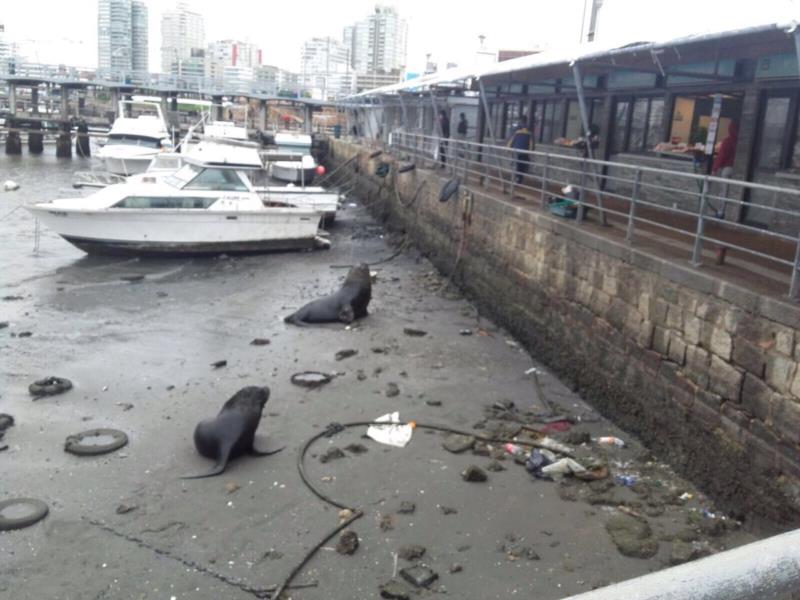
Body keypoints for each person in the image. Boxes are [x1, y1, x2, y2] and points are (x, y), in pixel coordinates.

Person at [508, 117, 533, 183]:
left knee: (516, 164)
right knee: (522, 165)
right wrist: (530, 152)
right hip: (525, 151)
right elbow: (531, 142)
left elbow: (512, 139)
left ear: (520, 121)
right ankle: (520, 178)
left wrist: (508, 148)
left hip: (516, 150)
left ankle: (516, 178)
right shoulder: (529, 130)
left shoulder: (516, 129)